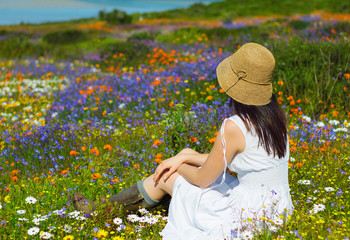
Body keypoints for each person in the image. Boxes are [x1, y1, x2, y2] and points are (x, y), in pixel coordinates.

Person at [72, 42, 294, 239]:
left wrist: (179, 163)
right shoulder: (276, 116)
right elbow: (248, 159)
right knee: (185, 157)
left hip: (246, 215)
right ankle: (107, 208)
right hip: (277, 208)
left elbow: (202, 180)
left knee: (167, 176)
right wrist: (189, 155)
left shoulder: (234, 125)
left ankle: (103, 212)